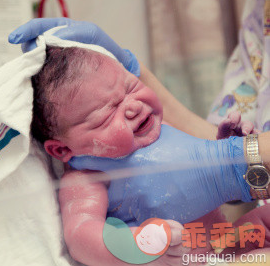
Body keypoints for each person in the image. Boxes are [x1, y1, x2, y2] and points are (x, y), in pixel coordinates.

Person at [29, 44, 266, 265]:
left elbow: (216, 184)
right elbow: (82, 236)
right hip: (179, 261)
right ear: (63, 149)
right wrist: (142, 245)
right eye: (106, 114)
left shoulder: (162, 130)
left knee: (264, 217)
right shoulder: (87, 175)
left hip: (224, 244)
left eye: (131, 87)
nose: (133, 106)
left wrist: (227, 148)